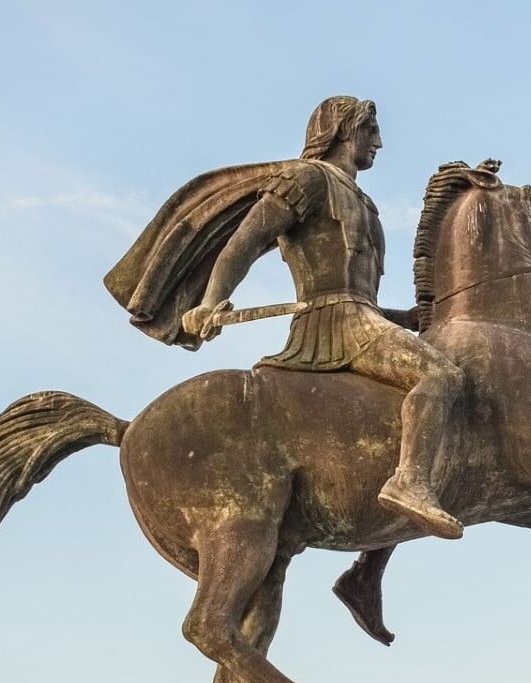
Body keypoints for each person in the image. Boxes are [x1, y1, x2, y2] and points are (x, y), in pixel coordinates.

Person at [180, 96, 465, 541]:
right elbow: (246, 241)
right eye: (371, 130)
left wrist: (404, 317)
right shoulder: (308, 179)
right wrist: (212, 300)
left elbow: (360, 295)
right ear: (343, 131)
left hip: (363, 320)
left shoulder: (364, 202)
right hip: (336, 326)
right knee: (441, 375)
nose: (379, 142)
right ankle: (409, 480)